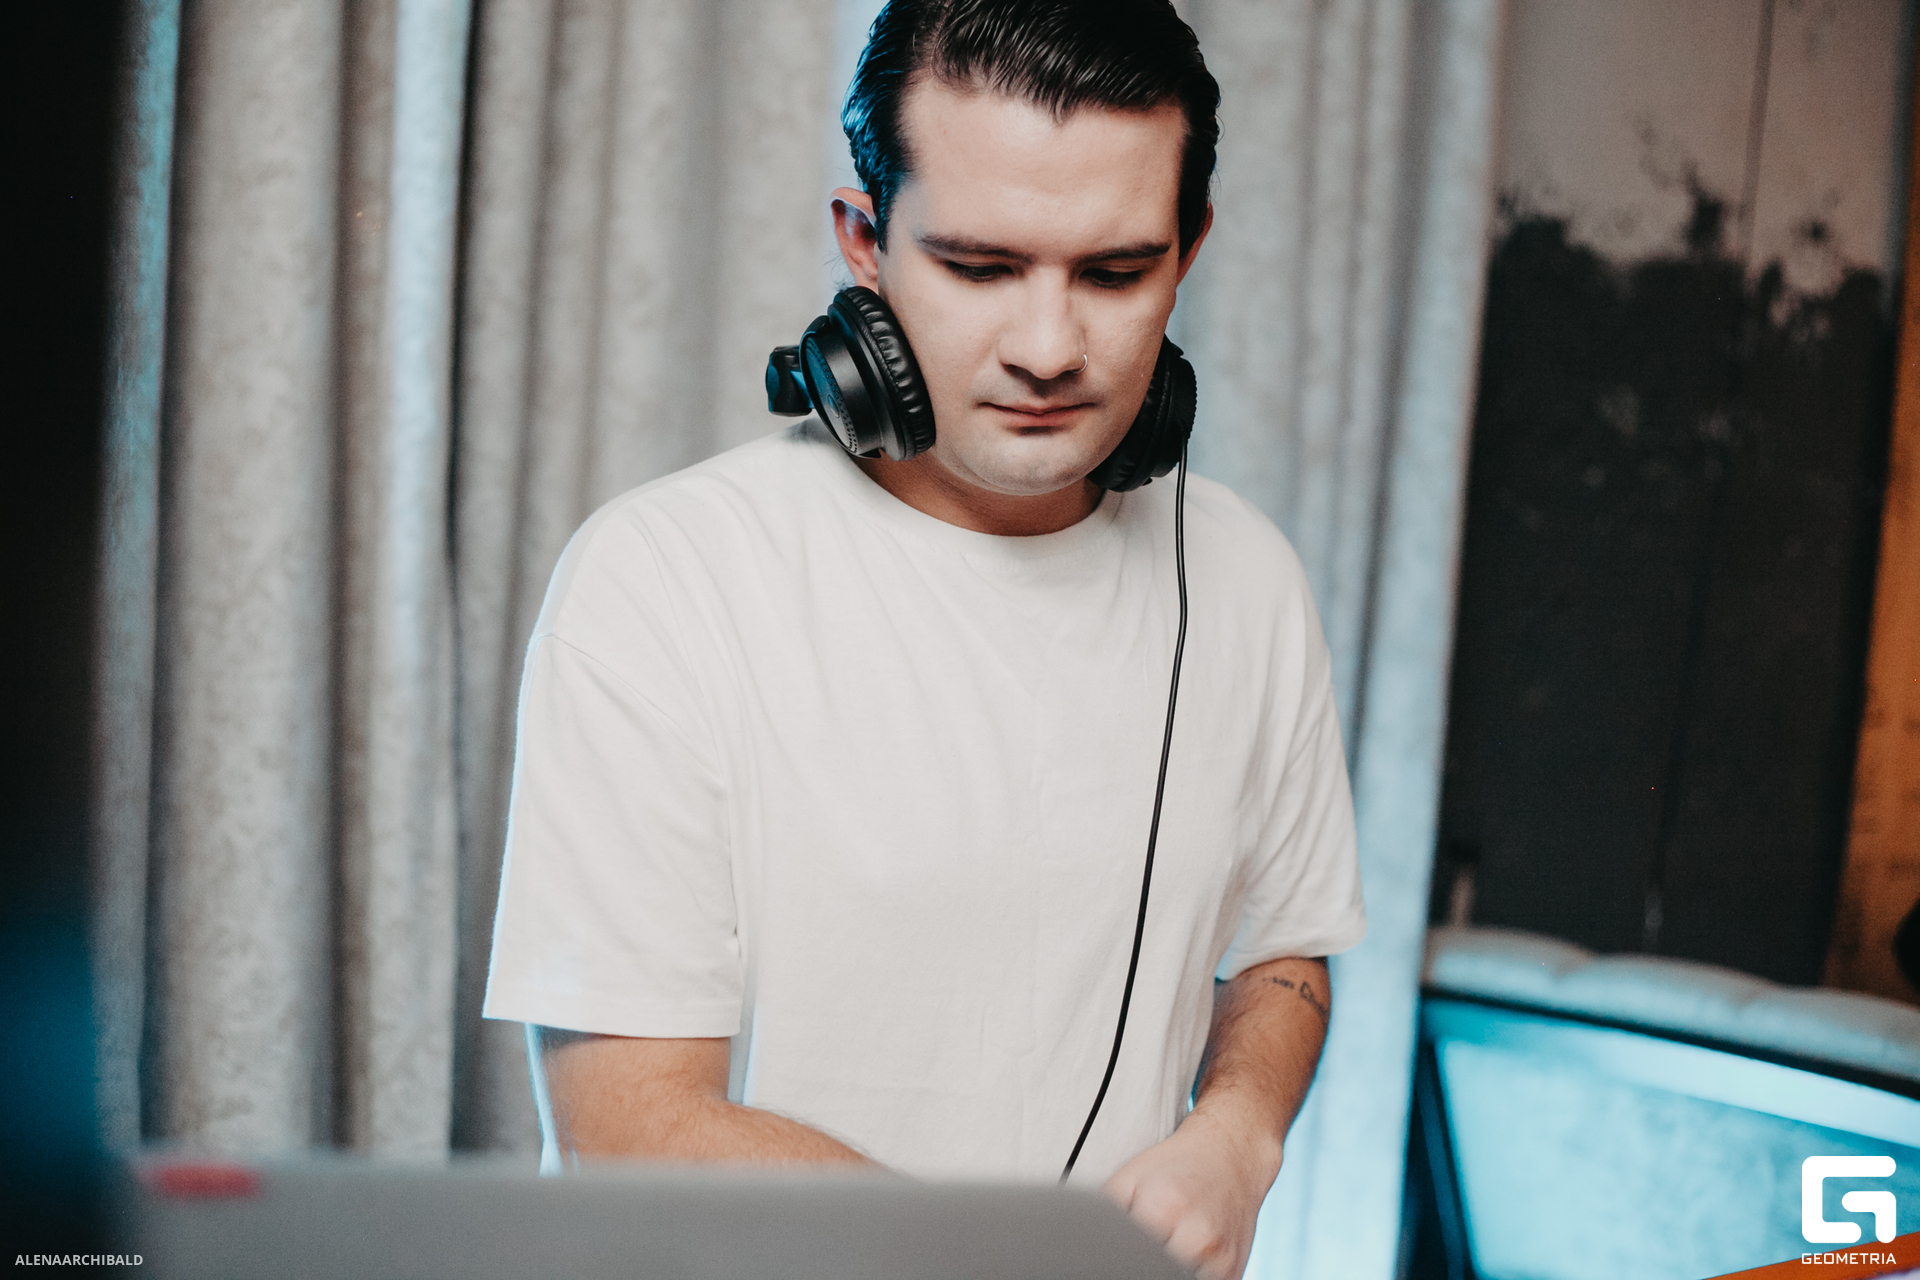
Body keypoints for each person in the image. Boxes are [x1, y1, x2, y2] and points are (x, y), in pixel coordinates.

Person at [482, 3, 1365, 1277]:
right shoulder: (662, 581)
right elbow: (629, 1126)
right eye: (981, 267)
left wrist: (1238, 1131)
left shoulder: (1248, 578)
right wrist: (1010, 1256)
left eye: (1115, 273)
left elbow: (1286, 949)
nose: (1049, 350)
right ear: (866, 244)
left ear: (1190, 251)